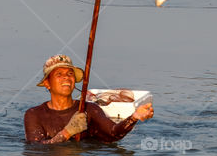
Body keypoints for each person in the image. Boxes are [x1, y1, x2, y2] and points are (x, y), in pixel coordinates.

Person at [24, 53, 154, 145]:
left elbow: (113, 134)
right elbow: (36, 149)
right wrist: (66, 133)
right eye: (59, 74)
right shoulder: (34, 114)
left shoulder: (89, 109)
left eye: (70, 74)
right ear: (47, 83)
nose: (66, 78)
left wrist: (134, 117)